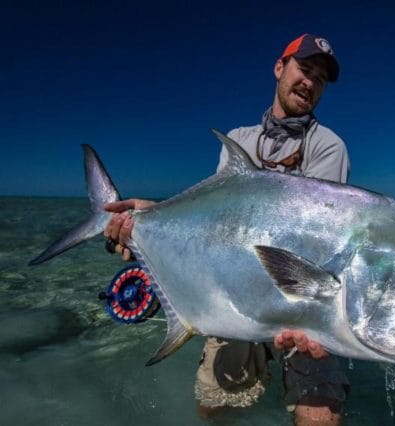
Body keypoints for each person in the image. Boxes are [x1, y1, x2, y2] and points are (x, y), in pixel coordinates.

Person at [104, 33, 350, 425]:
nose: (310, 83)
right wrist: (151, 217)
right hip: (233, 298)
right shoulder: (238, 140)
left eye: (321, 79)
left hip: (301, 305)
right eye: (305, 70)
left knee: (320, 416)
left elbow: (316, 243)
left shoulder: (328, 147)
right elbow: (215, 223)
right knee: (212, 409)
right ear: (279, 67)